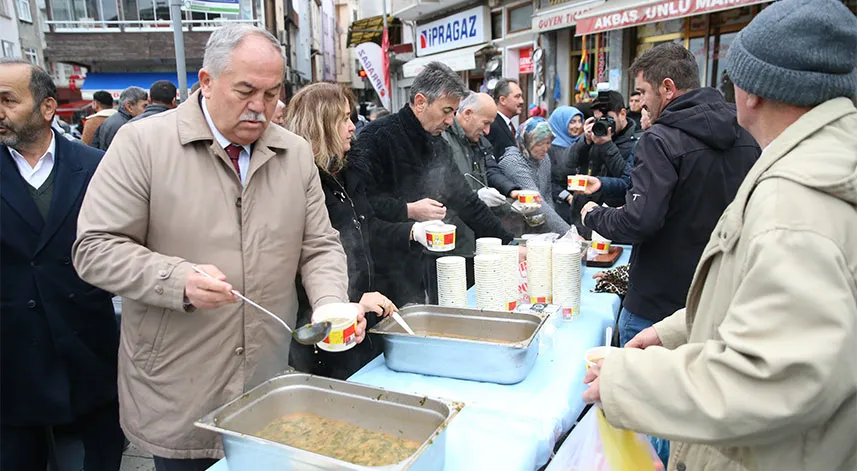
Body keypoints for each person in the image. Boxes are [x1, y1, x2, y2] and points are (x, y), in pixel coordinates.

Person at [72, 24, 366, 470]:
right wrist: (176, 280)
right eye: (245, 91)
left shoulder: (294, 153)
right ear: (206, 82)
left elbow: (320, 244)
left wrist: (328, 303)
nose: (259, 108)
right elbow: (94, 247)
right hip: (177, 381)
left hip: (266, 379)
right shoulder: (143, 144)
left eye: (271, 95)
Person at [583, 2, 857, 470]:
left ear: (753, 91)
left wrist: (628, 382)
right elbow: (761, 292)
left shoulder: (796, 202)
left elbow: (774, 378)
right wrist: (679, 330)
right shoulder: (790, 161)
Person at [581, 43, 760, 347]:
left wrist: (594, 215)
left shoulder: (660, 139)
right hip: (718, 297)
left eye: (643, 92)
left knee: (638, 390)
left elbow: (640, 220)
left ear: (667, 88)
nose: (642, 105)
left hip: (657, 305)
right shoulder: (745, 130)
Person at [0, 59, 124, 470]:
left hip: (88, 341)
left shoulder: (96, 166)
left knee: (101, 455)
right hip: (13, 353)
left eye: (7, 100)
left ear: (48, 106)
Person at [284, 83, 437, 379]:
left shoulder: (346, 173)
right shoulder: (299, 184)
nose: (353, 127)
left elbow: (367, 231)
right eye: (343, 119)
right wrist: (350, 301)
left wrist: (411, 232)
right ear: (321, 125)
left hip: (358, 322)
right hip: (322, 337)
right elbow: (304, 268)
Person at [349, 61, 514, 305]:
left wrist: (508, 242)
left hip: (421, 266)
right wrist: (409, 210)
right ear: (420, 102)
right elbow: (361, 207)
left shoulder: (437, 143)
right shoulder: (377, 137)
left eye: (454, 112)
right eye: (446, 110)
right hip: (379, 270)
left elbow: (466, 200)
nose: (450, 120)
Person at [441, 92, 520, 253]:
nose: (487, 131)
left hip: (475, 238)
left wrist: (510, 204)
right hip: (450, 239)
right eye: (485, 123)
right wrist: (476, 196)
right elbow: (440, 191)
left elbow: (489, 172)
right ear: (468, 114)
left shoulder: (478, 143)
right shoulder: (443, 140)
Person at [559, 91, 639, 234]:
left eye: (608, 119)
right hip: (582, 217)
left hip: (612, 221)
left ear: (622, 113)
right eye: (598, 119)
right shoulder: (592, 137)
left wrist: (606, 145)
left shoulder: (636, 142)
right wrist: (585, 141)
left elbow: (627, 181)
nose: (603, 124)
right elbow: (567, 165)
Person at [498, 117, 570, 235]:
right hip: (515, 227)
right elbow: (537, 201)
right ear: (526, 142)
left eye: (548, 143)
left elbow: (547, 195)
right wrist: (567, 233)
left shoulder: (544, 158)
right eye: (539, 144)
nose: (545, 148)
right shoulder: (513, 162)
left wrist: (552, 232)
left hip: (538, 226)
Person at [546, 105, 584, 223]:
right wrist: (566, 196)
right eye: (572, 122)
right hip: (558, 207)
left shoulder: (580, 145)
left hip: (578, 205)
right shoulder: (549, 148)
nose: (577, 126)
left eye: (579, 121)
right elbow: (547, 180)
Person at [91, 85, 147, 150]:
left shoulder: (114, 120)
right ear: (129, 107)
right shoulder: (124, 126)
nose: (146, 110)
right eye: (144, 106)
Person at [486, 78, 524, 161]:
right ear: (502, 100)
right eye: (517, 97)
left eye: (521, 96)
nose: (522, 101)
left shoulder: (506, 124)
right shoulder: (492, 125)